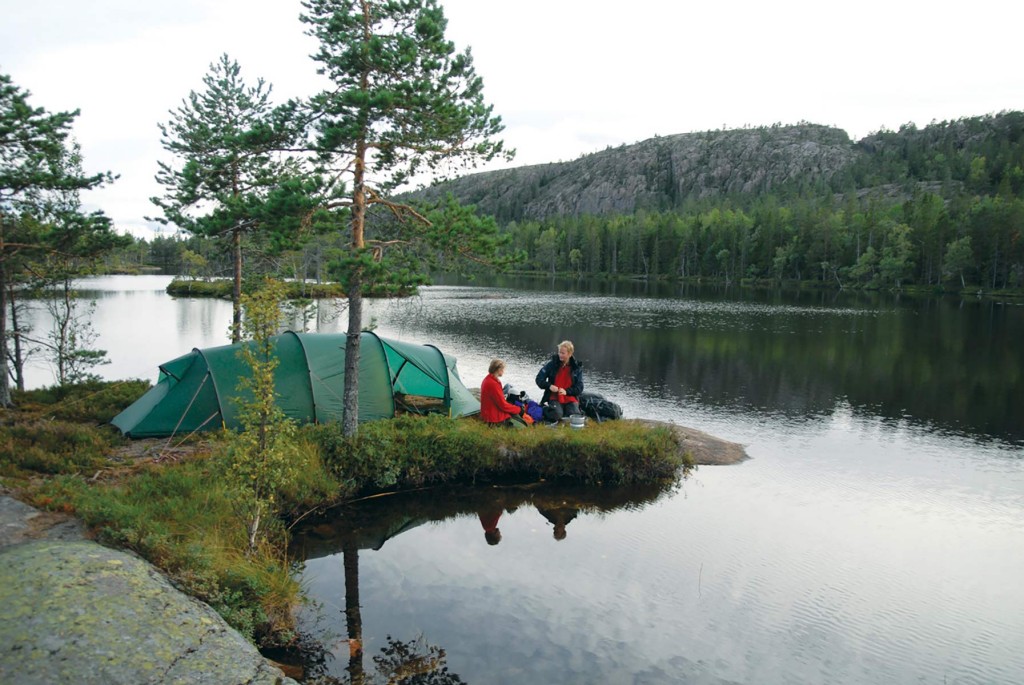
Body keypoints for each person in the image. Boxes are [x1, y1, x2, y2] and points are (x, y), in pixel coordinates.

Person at [535, 340, 584, 423]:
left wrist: (566, 391)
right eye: (559, 352)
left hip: (570, 397)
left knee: (574, 416)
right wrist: (549, 386)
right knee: (557, 415)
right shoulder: (552, 364)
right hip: (554, 397)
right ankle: (544, 407)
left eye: (563, 353)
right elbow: (539, 379)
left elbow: (579, 387)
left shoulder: (576, 368)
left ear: (570, 354)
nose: (560, 355)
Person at [480, 359, 526, 426]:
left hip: (488, 413)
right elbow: (503, 406)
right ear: (498, 369)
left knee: (514, 410)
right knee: (522, 425)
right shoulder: (493, 384)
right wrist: (519, 410)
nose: (503, 371)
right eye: (502, 369)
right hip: (493, 418)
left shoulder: (489, 379)